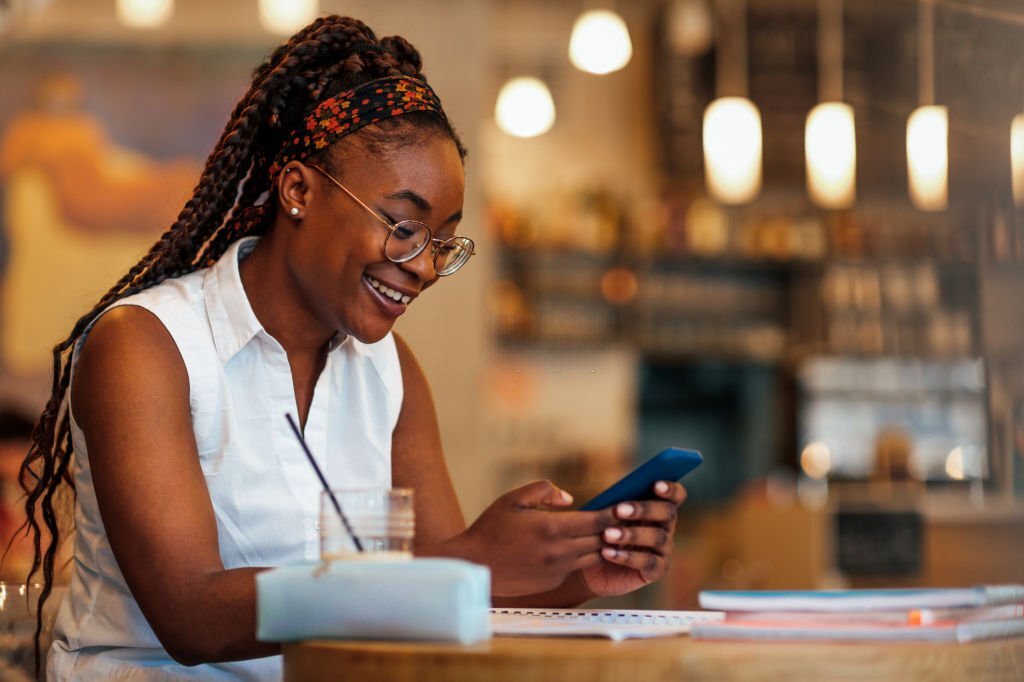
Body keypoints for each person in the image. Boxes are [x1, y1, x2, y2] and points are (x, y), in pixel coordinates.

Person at [14, 15, 687, 681]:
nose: (422, 266)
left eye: (443, 241)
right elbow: (193, 616)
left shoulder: (390, 374)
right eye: (403, 226)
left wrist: (576, 573)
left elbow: (440, 603)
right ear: (298, 190)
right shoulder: (147, 347)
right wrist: (472, 562)